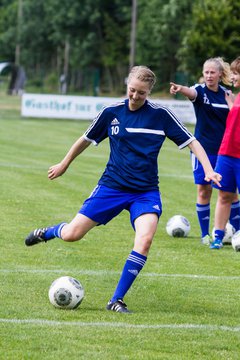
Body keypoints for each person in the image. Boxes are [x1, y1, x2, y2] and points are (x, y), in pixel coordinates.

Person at [25, 66, 222, 313]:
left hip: (145, 192)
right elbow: (85, 139)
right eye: (132, 90)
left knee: (145, 239)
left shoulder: (161, 115)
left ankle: (115, 300)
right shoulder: (111, 112)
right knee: (72, 234)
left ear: (149, 91)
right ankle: (50, 232)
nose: (135, 96)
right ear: (126, 86)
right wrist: (64, 163)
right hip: (112, 187)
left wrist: (208, 169)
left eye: (141, 92)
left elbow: (192, 142)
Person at [170, 57, 240, 245]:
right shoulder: (200, 91)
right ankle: (205, 235)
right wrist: (180, 88)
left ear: (219, 74)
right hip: (202, 150)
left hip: (225, 152)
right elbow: (190, 92)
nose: (209, 76)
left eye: (212, 72)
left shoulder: (227, 94)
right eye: (206, 72)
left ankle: (237, 233)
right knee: (204, 191)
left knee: (230, 194)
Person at [211, 56, 240, 249]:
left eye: (237, 73)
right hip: (226, 153)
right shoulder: (237, 96)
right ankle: (218, 237)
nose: (233, 77)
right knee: (224, 196)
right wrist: (231, 106)